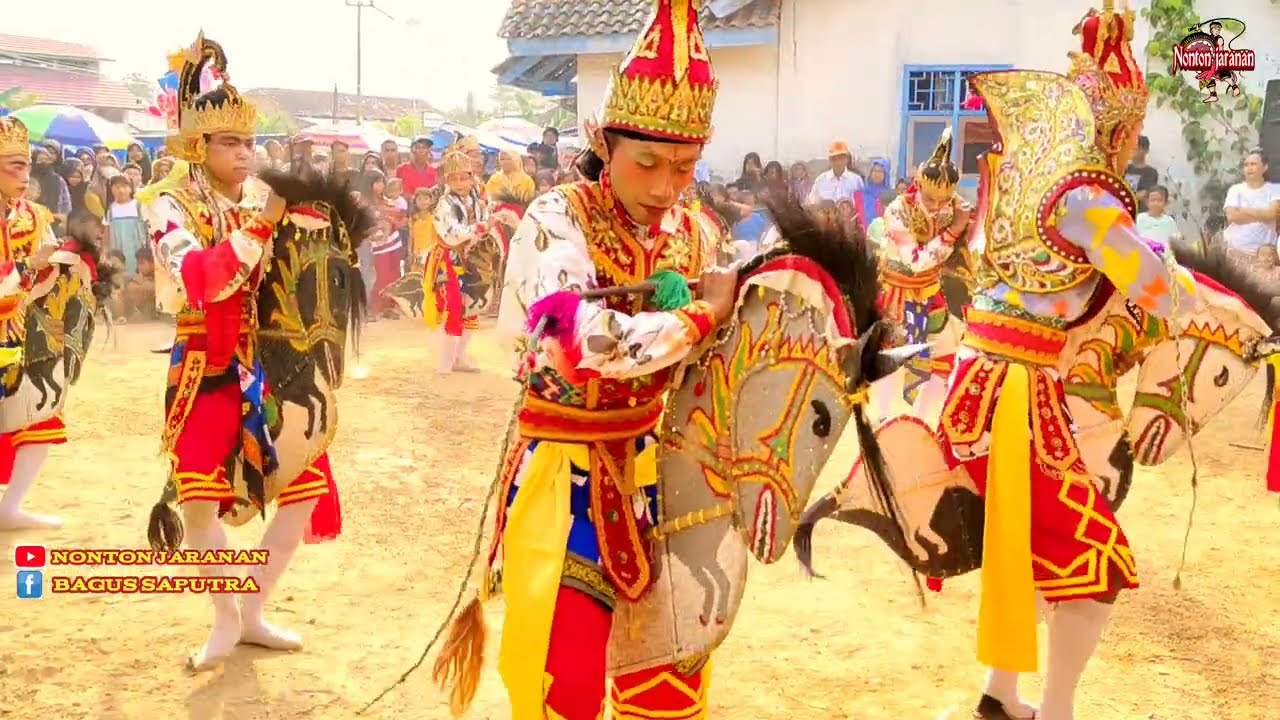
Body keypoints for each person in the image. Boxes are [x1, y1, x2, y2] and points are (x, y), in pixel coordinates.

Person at [432, 2, 736, 717]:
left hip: (661, 474)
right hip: (566, 476)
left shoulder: (698, 232)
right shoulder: (557, 217)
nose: (665, 187)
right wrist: (699, 317)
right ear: (605, 142)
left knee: (668, 683)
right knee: (565, 683)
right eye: (647, 163)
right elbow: (584, 341)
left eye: (685, 167)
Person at [935, 4, 1200, 718]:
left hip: (988, 380)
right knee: (1097, 561)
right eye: (1131, 130)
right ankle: (1055, 711)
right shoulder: (1087, 197)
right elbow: (1155, 291)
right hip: (1013, 395)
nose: (1132, 144)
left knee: (1031, 545)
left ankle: (1001, 695)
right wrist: (1175, 272)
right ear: (1116, 128)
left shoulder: (1026, 174)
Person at [139, 33, 339, 671]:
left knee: (305, 486)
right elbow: (203, 279)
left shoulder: (260, 200)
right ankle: (225, 617)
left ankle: (253, 608)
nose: (246, 153)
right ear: (198, 146)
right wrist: (264, 222)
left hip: (270, 362)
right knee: (199, 499)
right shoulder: (165, 204)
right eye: (230, 142)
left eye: (250, 142)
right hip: (205, 361)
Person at [0, 116, 85, 530]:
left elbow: (47, 276)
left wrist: (61, 268)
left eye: (27, 165)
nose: (25, 174)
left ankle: (10, 507)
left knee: (41, 414)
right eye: (14, 165)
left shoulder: (35, 216)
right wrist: (28, 267)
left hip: (22, 332)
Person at [871, 128, 968, 422]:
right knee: (891, 355)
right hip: (896, 293)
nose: (937, 206)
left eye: (944, 200)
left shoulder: (955, 206)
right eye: (931, 198)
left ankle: (922, 421)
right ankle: (882, 419)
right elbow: (916, 261)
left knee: (946, 355)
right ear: (919, 184)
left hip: (931, 292)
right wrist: (954, 231)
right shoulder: (897, 210)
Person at [423, 148, 489, 373]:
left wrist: (483, 226)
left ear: (472, 178)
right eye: (454, 179)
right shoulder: (445, 203)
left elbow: (484, 221)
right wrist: (478, 229)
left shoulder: (476, 199)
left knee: (470, 308)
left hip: (472, 258)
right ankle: (445, 361)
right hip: (449, 259)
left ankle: (460, 358)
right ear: (446, 180)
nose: (460, 183)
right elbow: (452, 233)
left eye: (464, 178)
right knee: (451, 307)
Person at [1221, 149, 1280, 266]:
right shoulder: (1235, 190)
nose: (1249, 168)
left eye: (1253, 164)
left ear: (1264, 167)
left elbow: (1273, 214)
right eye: (1246, 165)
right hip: (1237, 254)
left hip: (1266, 258)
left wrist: (1243, 211)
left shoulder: (1274, 189)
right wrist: (1263, 214)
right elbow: (1232, 216)